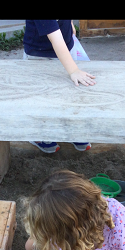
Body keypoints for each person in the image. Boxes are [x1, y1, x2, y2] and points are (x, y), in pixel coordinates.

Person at [23, 19, 95, 154]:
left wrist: (70, 23)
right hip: (39, 56)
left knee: (71, 95)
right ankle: (39, 134)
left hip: (67, 48)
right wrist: (73, 71)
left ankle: (72, 131)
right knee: (43, 99)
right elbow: (56, 39)